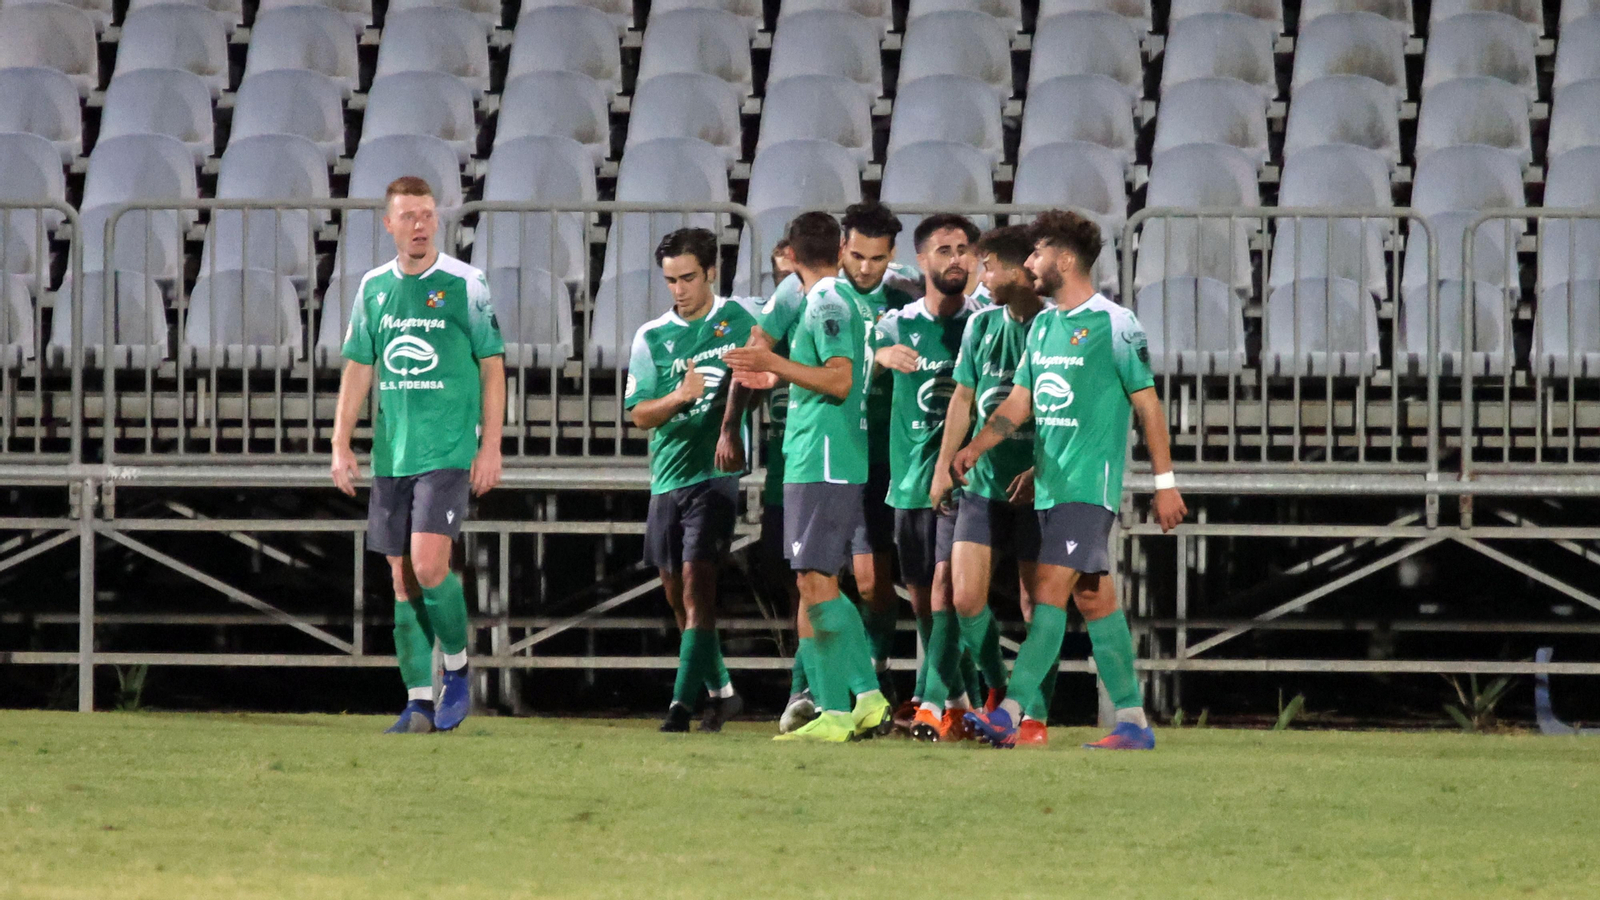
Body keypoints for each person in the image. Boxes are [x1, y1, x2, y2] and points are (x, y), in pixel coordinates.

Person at [952, 210, 1188, 750]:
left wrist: (1164, 482)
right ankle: (1132, 722)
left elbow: (1147, 406)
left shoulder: (1116, 323)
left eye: (1036, 254)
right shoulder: (1043, 325)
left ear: (1064, 258)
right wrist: (978, 446)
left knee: (1048, 592)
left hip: (1089, 486)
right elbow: (1022, 401)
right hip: (1052, 485)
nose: (1029, 263)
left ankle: (1009, 713)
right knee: (1094, 601)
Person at [331, 175, 506, 734]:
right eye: (408, 216)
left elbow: (492, 365)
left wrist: (491, 445)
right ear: (389, 224)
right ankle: (418, 702)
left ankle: (456, 668)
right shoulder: (374, 288)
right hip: (392, 454)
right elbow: (360, 365)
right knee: (401, 578)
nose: (420, 225)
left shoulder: (465, 282)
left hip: (448, 450)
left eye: (427, 215)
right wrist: (340, 442)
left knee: (430, 565)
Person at [723, 211, 891, 742]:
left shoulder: (828, 303)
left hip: (824, 459)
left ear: (790, 257)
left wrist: (775, 362)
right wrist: (773, 364)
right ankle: (867, 697)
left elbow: (839, 381)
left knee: (817, 585)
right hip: (814, 457)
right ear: (841, 247)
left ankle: (837, 712)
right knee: (814, 583)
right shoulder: (817, 299)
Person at [625, 228, 756, 733]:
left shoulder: (739, 321)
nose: (679, 289)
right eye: (670, 280)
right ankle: (722, 692)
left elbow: (756, 378)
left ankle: (680, 707)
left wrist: (731, 425)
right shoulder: (651, 336)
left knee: (700, 590)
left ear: (711, 273)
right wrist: (679, 397)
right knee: (677, 595)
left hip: (715, 475)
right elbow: (638, 415)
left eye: (688, 278)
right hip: (666, 478)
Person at [930, 225, 1050, 743]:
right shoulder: (981, 329)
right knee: (965, 598)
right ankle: (999, 694)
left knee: (1032, 603)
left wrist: (1043, 467)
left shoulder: (1054, 329)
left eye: (990, 267)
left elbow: (1069, 414)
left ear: (1021, 270)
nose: (983, 277)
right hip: (982, 483)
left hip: (1038, 489)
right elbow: (962, 399)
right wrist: (943, 468)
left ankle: (1036, 718)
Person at [872, 214, 978, 741]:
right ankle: (966, 700)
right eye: (944, 249)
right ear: (922, 260)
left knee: (944, 589)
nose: (955, 258)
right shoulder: (894, 324)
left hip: (961, 480)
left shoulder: (983, 323)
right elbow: (847, 362)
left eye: (963, 248)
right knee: (922, 601)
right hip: (908, 482)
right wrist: (877, 356)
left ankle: (929, 704)